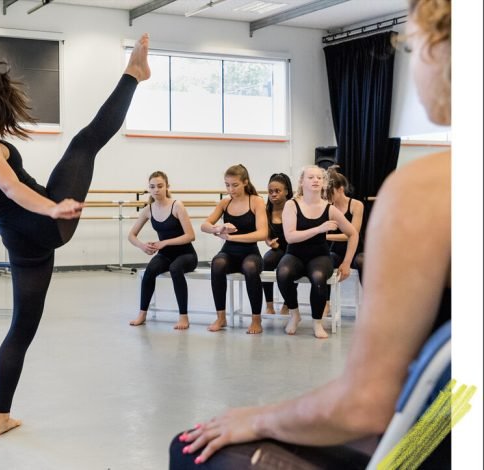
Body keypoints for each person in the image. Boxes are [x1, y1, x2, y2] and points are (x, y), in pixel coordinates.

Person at [169, 0, 451, 467]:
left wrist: (259, 417)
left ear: (440, 50)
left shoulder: (428, 189)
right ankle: (292, 313)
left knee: (190, 448)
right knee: (276, 269)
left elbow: (366, 404)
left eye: (412, 45)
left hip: (433, 440)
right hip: (453, 413)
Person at [0, 34, 151, 437]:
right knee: (85, 143)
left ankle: (0, 418)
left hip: (20, 242)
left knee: (21, 329)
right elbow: (10, 189)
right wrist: (52, 208)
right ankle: (133, 74)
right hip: (46, 223)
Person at [276, 165, 358, 339]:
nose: (315, 180)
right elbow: (290, 237)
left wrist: (346, 262)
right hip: (295, 254)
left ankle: (317, 322)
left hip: (319, 255)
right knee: (283, 273)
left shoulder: (330, 209)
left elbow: (353, 234)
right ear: (302, 182)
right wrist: (319, 229)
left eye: (319, 178)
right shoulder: (292, 205)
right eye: (311, 177)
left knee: (319, 277)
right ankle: (294, 314)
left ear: (324, 183)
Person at [201, 164, 267, 334]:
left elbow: (262, 233)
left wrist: (232, 237)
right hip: (229, 252)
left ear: (245, 182)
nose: (231, 189)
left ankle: (256, 319)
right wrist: (219, 228)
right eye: (227, 185)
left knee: (250, 267)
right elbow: (204, 225)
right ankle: (221, 317)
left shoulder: (256, 201)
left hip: (250, 253)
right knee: (217, 263)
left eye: (235, 185)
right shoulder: (225, 202)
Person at [128, 171, 197, 330]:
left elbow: (190, 236)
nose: (156, 190)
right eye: (152, 187)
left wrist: (164, 242)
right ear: (149, 189)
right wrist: (142, 246)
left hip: (186, 255)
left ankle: (183, 316)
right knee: (149, 271)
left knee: (175, 268)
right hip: (165, 255)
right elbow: (131, 235)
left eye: (160, 186)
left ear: (167, 187)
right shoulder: (148, 210)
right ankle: (142, 314)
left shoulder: (177, 206)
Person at [325, 165, 365, 315]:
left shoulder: (356, 205)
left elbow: (352, 233)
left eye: (331, 192)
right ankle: (325, 302)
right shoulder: (328, 206)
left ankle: (370, 302)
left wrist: (325, 236)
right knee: (325, 260)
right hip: (335, 250)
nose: (327, 196)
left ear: (341, 189)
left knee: (363, 261)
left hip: (355, 249)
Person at [261, 173, 293, 316]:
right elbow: (265, 234)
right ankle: (269, 304)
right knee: (266, 261)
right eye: (270, 192)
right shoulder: (266, 211)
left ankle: (287, 303)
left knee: (289, 268)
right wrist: (269, 242)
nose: (273, 194)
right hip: (278, 248)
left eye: (277, 191)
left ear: (286, 191)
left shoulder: (294, 207)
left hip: (294, 249)